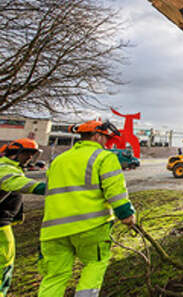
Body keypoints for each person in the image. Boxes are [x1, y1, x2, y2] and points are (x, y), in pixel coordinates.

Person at [38, 120, 136, 297]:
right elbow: (115, 191)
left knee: (55, 277)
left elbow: (49, 189)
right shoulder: (104, 157)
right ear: (97, 136)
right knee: (94, 264)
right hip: (90, 227)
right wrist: (126, 214)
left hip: (53, 230)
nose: (107, 142)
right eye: (106, 138)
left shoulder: (58, 160)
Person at [0, 138, 46, 297]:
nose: (29, 158)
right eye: (26, 154)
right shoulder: (5, 169)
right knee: (4, 265)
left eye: (32, 155)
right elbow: (19, 184)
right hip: (1, 225)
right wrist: (47, 188)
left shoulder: (11, 167)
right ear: (15, 154)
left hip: (5, 223)